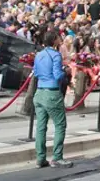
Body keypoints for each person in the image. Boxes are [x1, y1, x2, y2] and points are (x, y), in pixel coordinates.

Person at [32, 31, 72, 169]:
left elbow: (36, 72)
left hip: (39, 91)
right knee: (60, 125)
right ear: (54, 40)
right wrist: (65, 72)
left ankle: (40, 158)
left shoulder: (39, 54)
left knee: (41, 127)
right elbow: (57, 75)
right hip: (52, 92)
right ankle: (57, 157)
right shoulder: (56, 55)